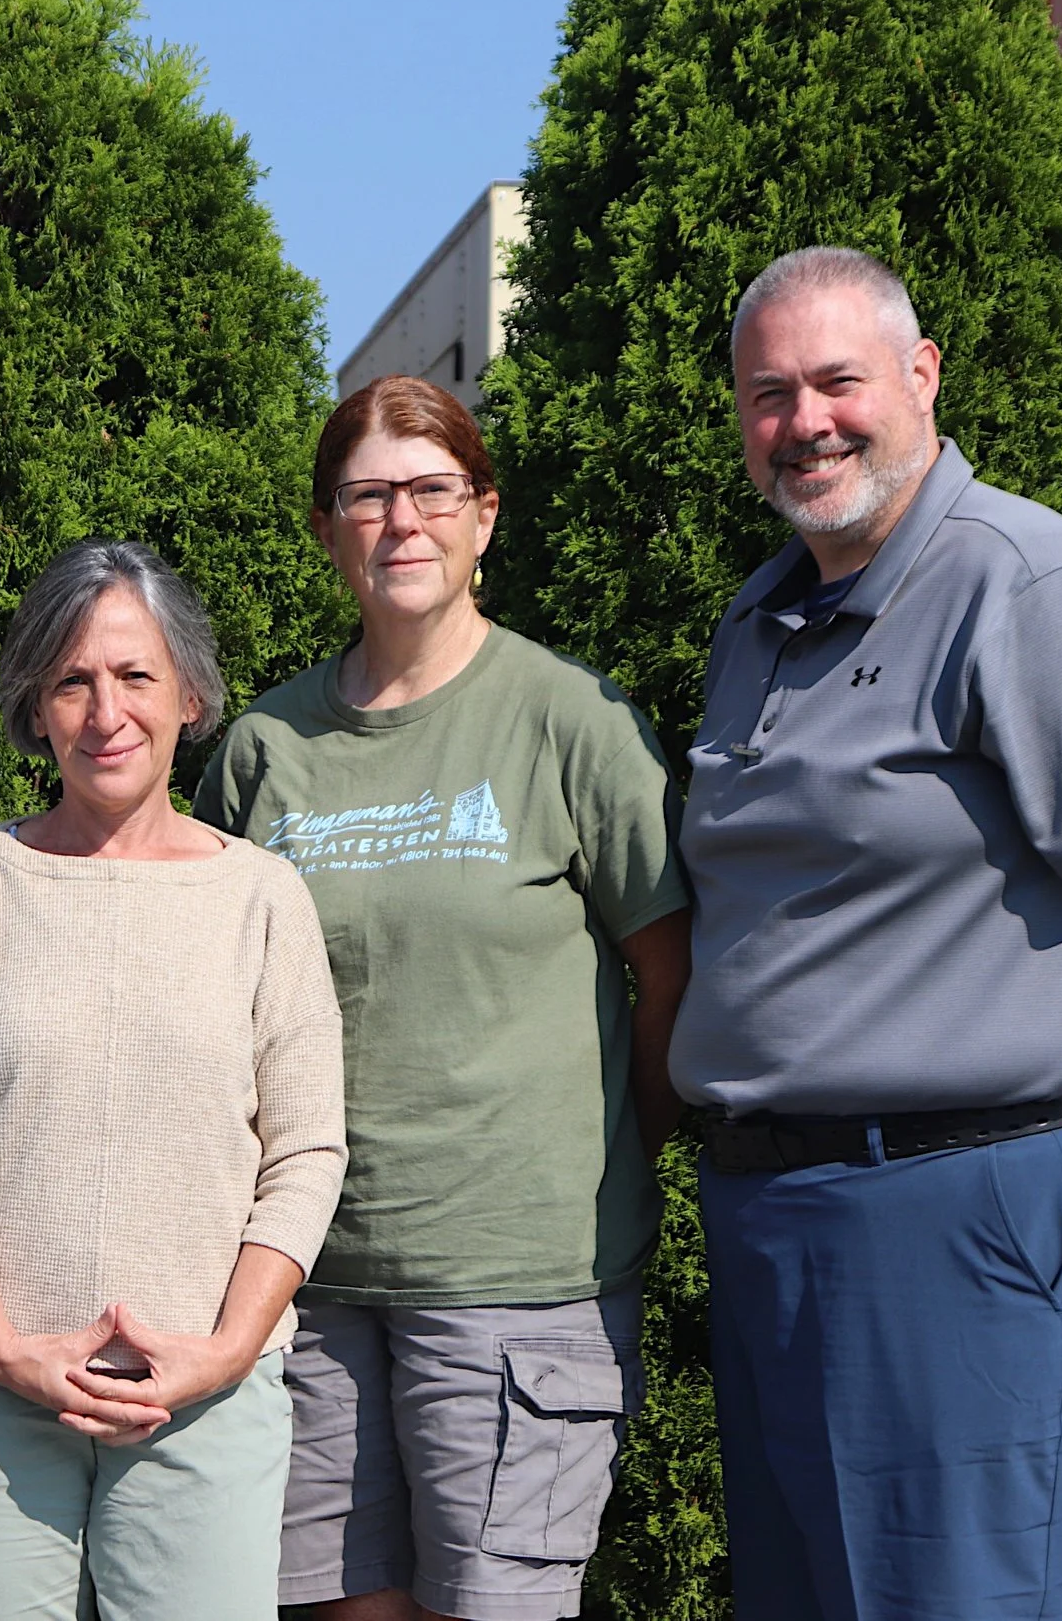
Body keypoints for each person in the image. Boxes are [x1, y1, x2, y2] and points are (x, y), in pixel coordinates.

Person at [676, 246, 1062, 1621]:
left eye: (838, 380)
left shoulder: (1028, 586)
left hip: (974, 1207)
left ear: (923, 375)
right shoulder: (765, 618)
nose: (806, 421)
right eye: (768, 394)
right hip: (793, 1215)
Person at [194, 374, 694, 1621]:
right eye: (368, 495)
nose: (400, 522)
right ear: (326, 528)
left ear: (483, 515)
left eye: (431, 491)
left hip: (518, 1276)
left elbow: (672, 976)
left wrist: (596, 1144)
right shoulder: (265, 749)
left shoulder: (572, 719)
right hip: (301, 1279)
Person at [0, 538, 347, 1621]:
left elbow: (308, 1151)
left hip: (205, 1394)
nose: (105, 709)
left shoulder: (262, 899)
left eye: (135, 675)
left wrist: (223, 1350)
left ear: (189, 693)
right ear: (36, 707)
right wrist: (0, 1344)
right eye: (72, 679)